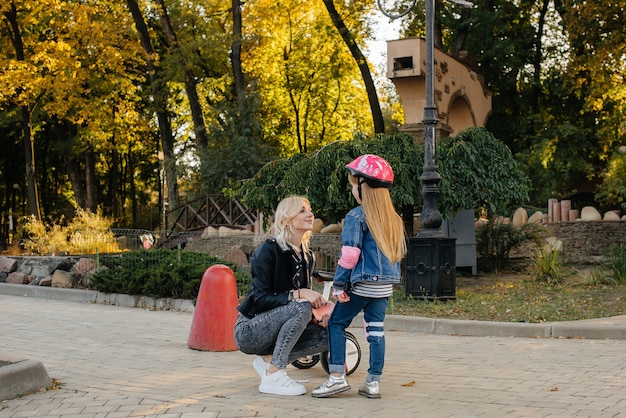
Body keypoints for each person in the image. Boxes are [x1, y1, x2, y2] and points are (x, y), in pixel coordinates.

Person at [311, 154, 407, 399]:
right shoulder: (394, 219)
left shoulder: (357, 216)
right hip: (384, 288)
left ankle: (336, 378)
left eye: (355, 185)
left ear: (364, 187)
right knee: (376, 330)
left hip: (361, 285)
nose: (354, 190)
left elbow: (350, 255)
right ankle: (373, 383)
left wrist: (340, 284)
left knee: (336, 323)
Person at [234, 196, 331, 396]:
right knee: (301, 305)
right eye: (302, 210)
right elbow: (261, 301)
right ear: (286, 219)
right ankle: (274, 375)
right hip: (251, 329)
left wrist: (319, 318)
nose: (310, 214)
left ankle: (268, 362)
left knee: (332, 332)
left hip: (280, 328)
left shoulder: (307, 256)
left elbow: (296, 312)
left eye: (309, 209)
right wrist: (301, 293)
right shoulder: (268, 250)